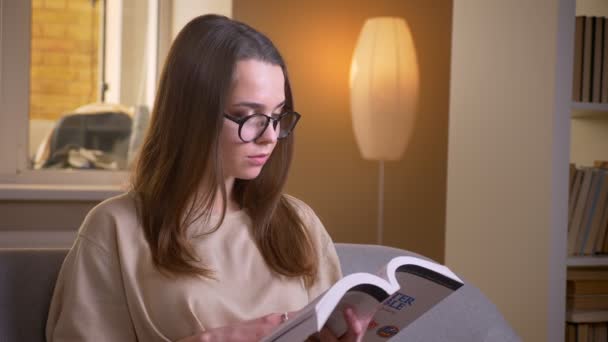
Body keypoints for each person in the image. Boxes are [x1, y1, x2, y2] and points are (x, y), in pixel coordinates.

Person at [46, 14, 369, 342]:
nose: (270, 136)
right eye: (246, 116)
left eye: (277, 115)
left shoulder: (299, 222)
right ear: (190, 115)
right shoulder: (115, 227)